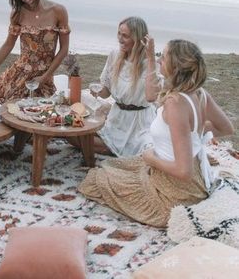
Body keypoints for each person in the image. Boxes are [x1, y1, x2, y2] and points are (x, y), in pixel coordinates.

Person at [78, 38, 234, 227]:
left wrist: (151, 158)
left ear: (176, 66)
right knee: (111, 166)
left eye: (164, 56)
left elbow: (183, 171)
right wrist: (193, 131)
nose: (160, 60)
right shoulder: (199, 93)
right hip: (195, 180)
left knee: (96, 180)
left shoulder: (175, 104)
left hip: (177, 190)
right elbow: (226, 128)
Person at [90, 17, 161, 157]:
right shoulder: (114, 55)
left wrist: (151, 57)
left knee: (151, 154)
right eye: (119, 34)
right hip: (117, 118)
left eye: (125, 36)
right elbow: (106, 93)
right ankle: (112, 149)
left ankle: (114, 150)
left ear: (138, 39)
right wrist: (96, 91)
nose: (120, 39)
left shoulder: (150, 63)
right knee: (75, 134)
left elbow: (152, 97)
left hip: (140, 123)